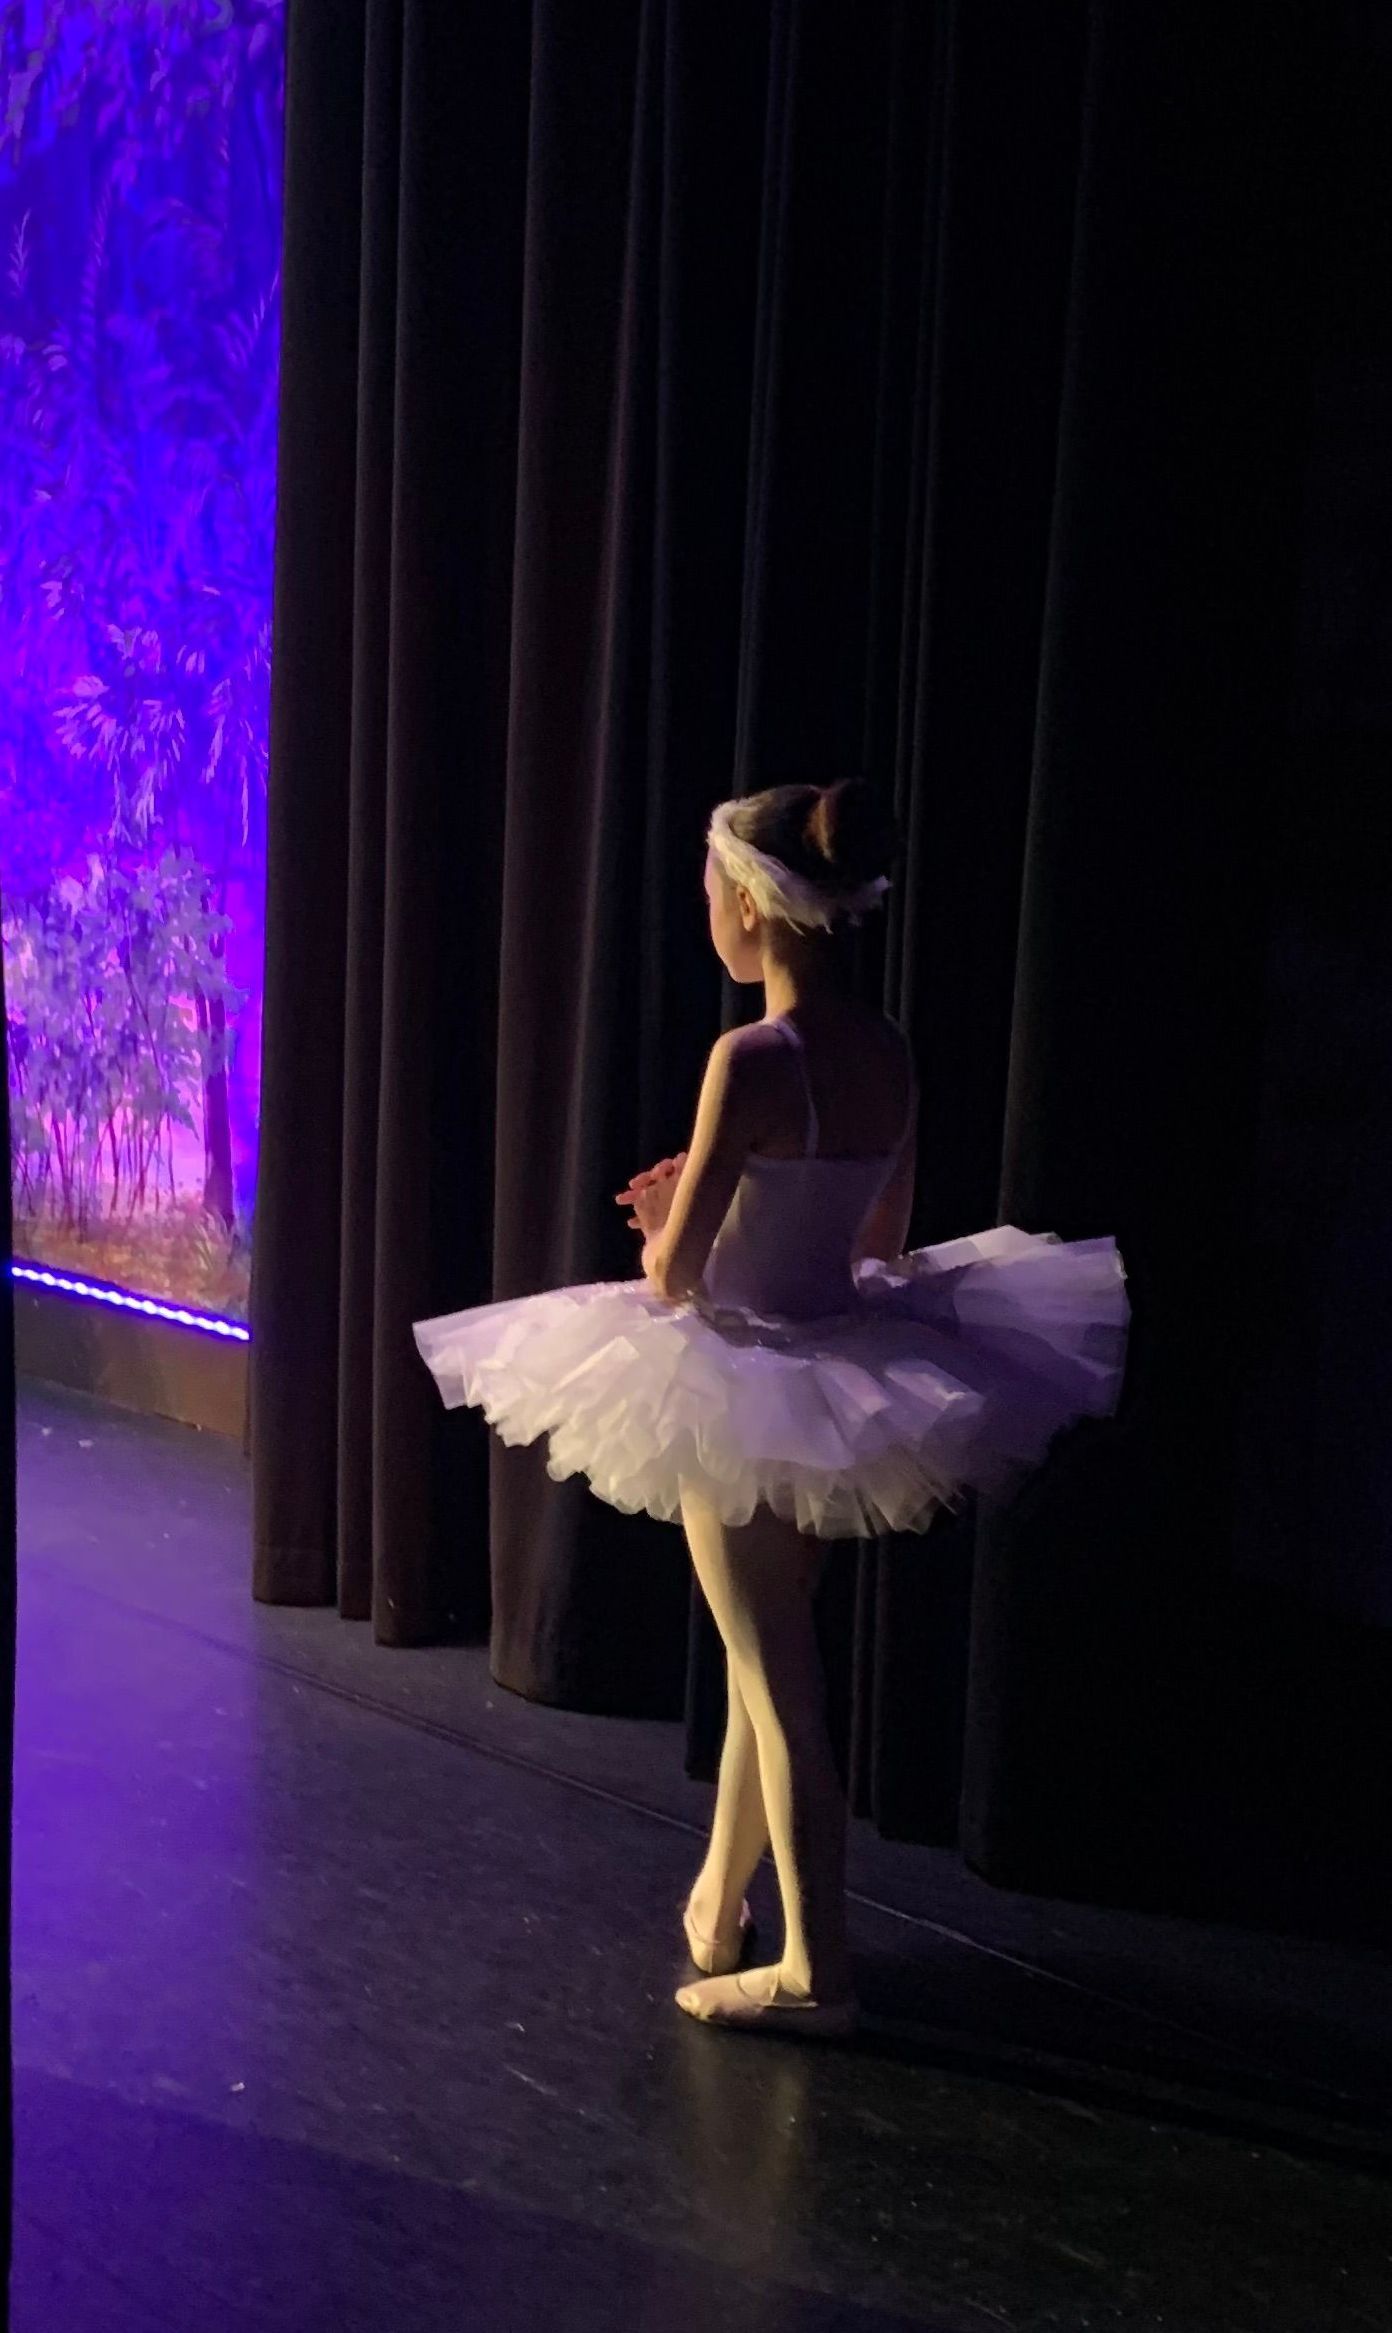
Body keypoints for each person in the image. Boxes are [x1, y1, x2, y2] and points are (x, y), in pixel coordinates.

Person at [414, 781, 1130, 2039]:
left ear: (750, 904)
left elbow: (678, 1276)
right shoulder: (888, 1049)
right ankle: (718, 1901)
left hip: (743, 1376)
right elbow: (880, 1241)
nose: (707, 912)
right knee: (769, 1659)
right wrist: (741, 1203)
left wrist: (660, 1216)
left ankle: (817, 1968)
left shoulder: (748, 1057)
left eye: (709, 893)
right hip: (834, 1372)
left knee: (771, 1674)